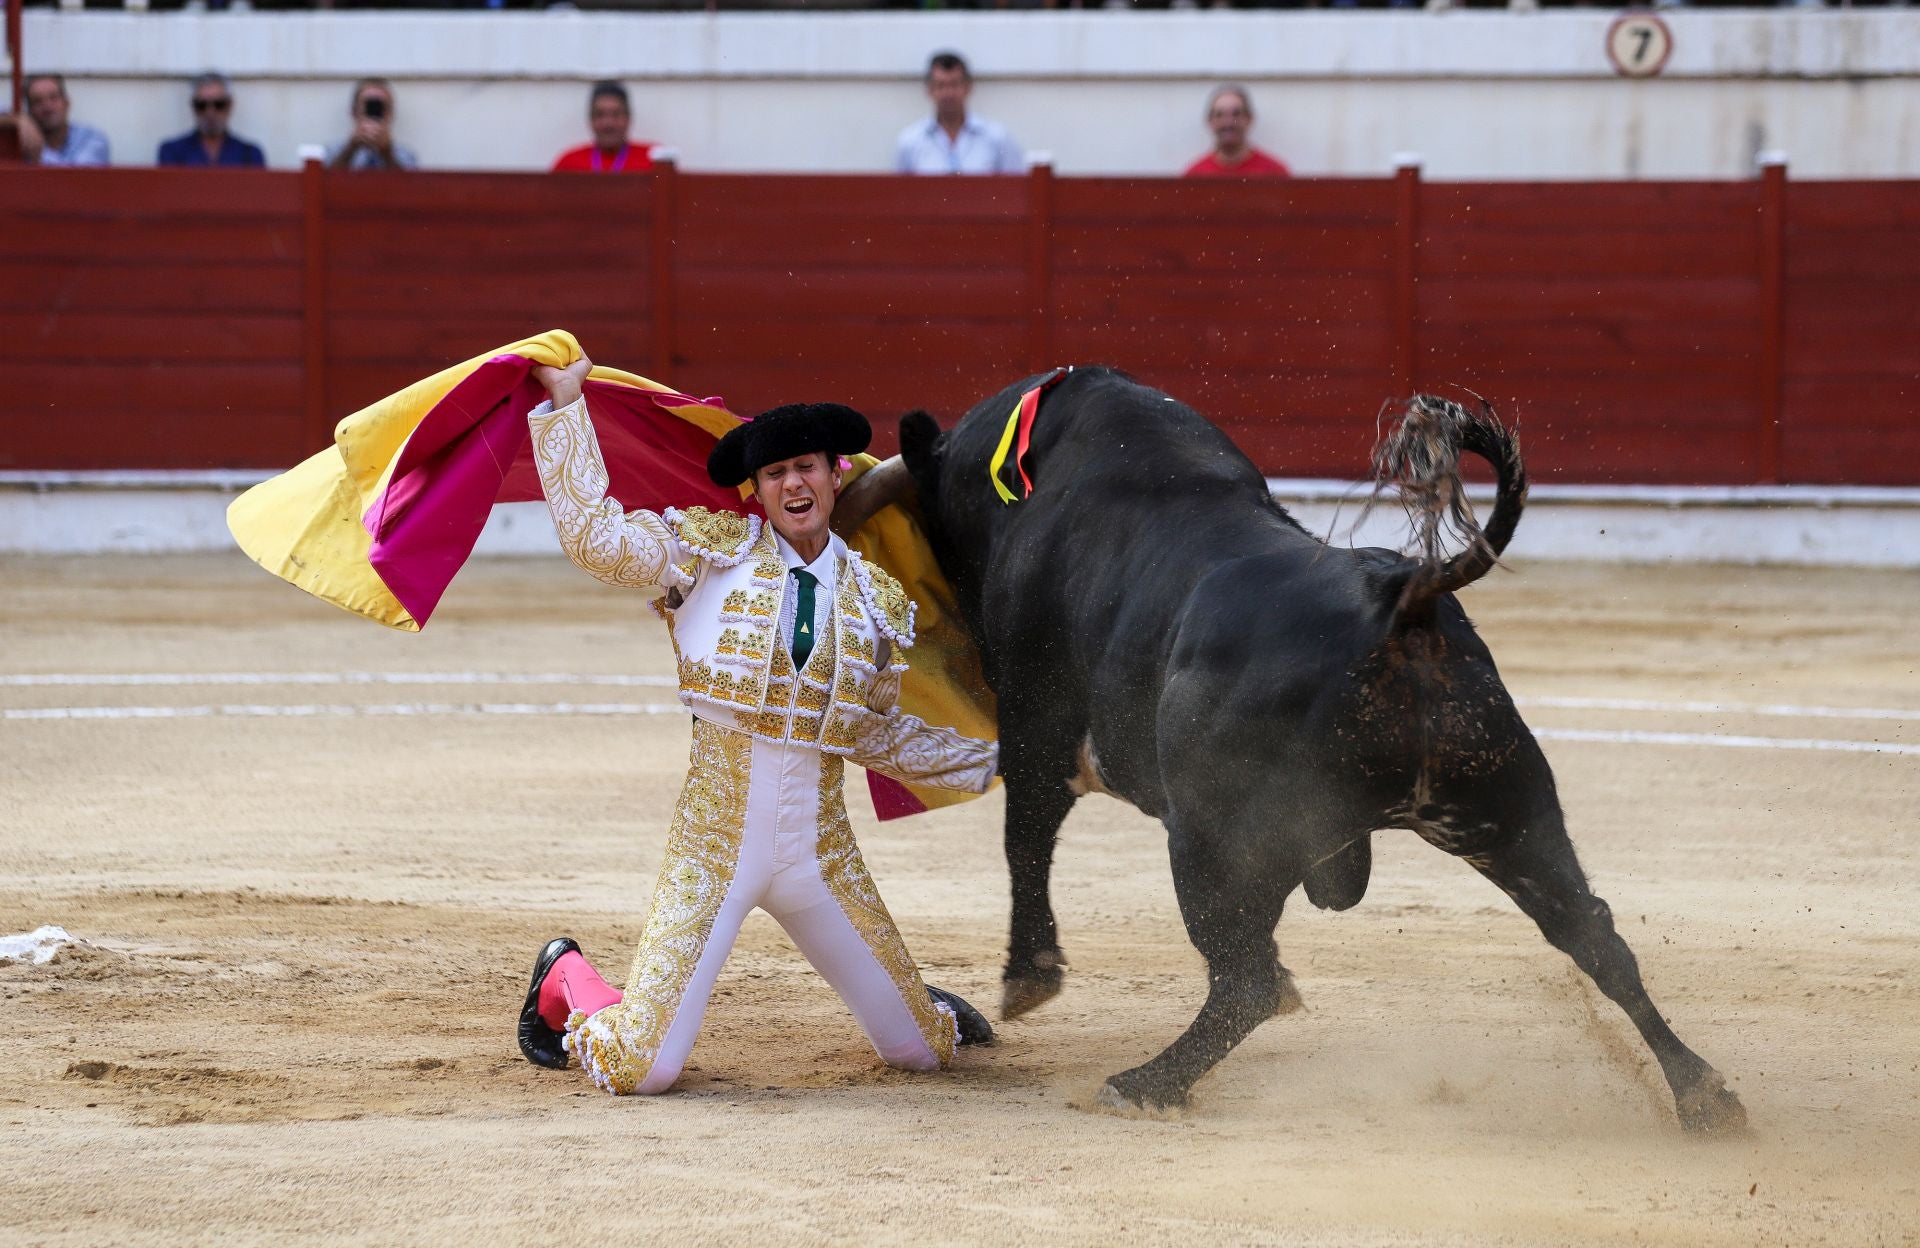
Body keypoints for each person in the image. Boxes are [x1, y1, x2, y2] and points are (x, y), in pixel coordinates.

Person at [515, 357, 998, 1097]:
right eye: (774, 474)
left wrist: (1014, 760)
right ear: (757, 490)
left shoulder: (872, 598)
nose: (793, 485)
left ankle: (917, 1004)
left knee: (924, 1053)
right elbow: (596, 542)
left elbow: (881, 737)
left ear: (838, 476)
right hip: (713, 850)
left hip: (820, 858)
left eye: (806, 468)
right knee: (643, 1068)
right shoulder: (709, 555)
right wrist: (566, 410)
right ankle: (567, 977)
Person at [894, 51, 1024, 176]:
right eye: (941, 86)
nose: (948, 93)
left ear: (968, 87)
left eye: (954, 84)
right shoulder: (910, 141)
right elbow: (900, 193)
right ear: (929, 90)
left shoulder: (997, 137)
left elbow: (1017, 188)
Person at [157, 73, 266, 168]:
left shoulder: (249, 154)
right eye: (201, 105)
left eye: (219, 105)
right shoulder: (172, 152)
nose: (210, 113)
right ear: (193, 106)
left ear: (230, 105)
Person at [1183, 84, 1292, 179]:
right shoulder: (1194, 175)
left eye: (1236, 114)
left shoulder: (1275, 173)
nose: (1228, 122)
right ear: (1210, 121)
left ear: (1249, 119)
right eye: (1220, 115)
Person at [551, 81, 655, 174]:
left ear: (628, 118)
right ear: (591, 119)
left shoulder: (653, 160)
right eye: (600, 114)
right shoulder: (569, 164)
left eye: (616, 114)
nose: (608, 123)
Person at [325, 78, 417, 172]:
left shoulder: (405, 155)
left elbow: (407, 183)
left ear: (390, 114)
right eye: (369, 106)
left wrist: (387, 153)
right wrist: (351, 149)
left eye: (380, 107)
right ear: (354, 112)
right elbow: (323, 180)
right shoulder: (334, 151)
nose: (374, 113)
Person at [26, 75, 110, 167]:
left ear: (67, 103)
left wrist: (38, 153)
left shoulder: (91, 139)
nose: (47, 107)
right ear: (30, 111)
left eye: (53, 98)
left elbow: (77, 176)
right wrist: (19, 120)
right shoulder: (22, 143)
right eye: (37, 101)